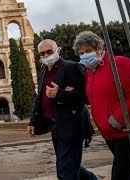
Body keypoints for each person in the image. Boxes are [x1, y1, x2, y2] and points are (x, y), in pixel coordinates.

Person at [73, 31, 130, 180]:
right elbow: (94, 99)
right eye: (81, 52)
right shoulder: (90, 72)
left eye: (88, 50)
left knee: (121, 175)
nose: (85, 55)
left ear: (100, 48)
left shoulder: (119, 63)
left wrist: (117, 119)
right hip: (111, 134)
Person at [27, 39, 96, 180]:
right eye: (42, 53)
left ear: (58, 50)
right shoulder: (43, 72)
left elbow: (84, 96)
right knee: (68, 164)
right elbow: (40, 98)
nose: (46, 55)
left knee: (65, 171)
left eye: (49, 51)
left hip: (72, 124)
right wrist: (33, 121)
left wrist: (59, 94)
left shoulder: (72, 67)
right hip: (55, 125)